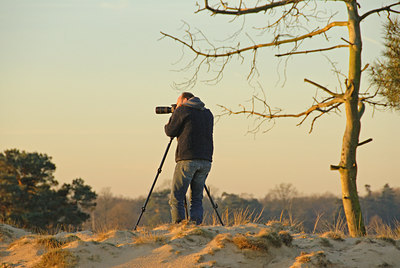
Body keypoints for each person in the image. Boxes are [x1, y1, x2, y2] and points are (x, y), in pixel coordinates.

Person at [164, 92, 214, 225]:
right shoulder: (208, 113)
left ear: (185, 100)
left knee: (177, 197)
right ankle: (196, 226)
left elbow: (170, 131)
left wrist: (175, 114)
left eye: (178, 102)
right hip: (205, 160)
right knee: (197, 198)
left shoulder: (183, 110)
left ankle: (179, 225)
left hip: (187, 159)